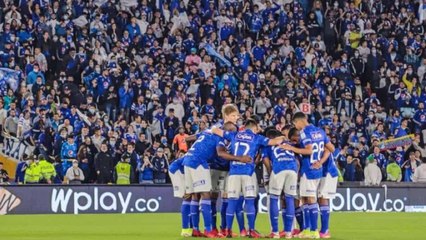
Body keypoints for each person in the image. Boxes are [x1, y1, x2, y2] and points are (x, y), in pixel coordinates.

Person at [212, 118, 285, 238]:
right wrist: (283, 138)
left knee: (232, 202)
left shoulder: (234, 135)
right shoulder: (257, 138)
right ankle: (251, 230)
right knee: (250, 201)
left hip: (234, 172)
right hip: (248, 172)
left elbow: (215, 130)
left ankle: (228, 230)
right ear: (255, 128)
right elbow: (274, 142)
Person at [183, 121, 251, 238]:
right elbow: (220, 153)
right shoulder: (219, 137)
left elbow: (188, 138)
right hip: (203, 164)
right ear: (227, 132)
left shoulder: (206, 132)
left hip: (189, 161)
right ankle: (210, 230)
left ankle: (197, 229)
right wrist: (240, 158)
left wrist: (194, 151)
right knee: (206, 196)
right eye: (233, 132)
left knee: (195, 195)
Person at [281, 112, 335, 239]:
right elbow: (331, 148)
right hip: (318, 169)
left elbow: (309, 150)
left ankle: (315, 230)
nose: (296, 126)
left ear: (299, 121)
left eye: (295, 124)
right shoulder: (320, 131)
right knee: (306, 198)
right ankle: (308, 229)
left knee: (313, 198)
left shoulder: (304, 132)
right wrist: (320, 161)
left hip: (312, 170)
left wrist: (291, 148)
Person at [262, 129, 297, 239]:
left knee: (274, 198)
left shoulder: (267, 145)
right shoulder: (288, 144)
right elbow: (297, 159)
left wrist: (271, 171)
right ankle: (288, 232)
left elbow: (265, 160)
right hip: (292, 169)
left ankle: (275, 232)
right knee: (289, 199)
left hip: (278, 169)